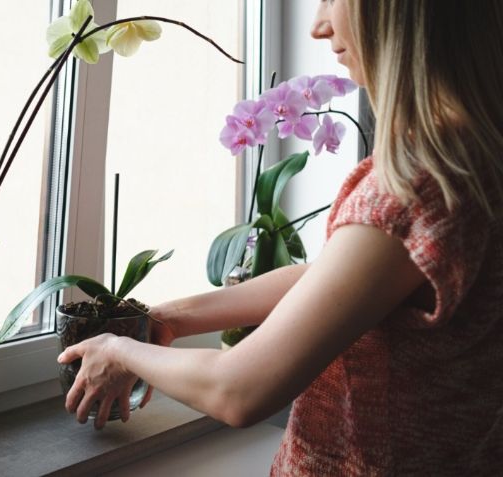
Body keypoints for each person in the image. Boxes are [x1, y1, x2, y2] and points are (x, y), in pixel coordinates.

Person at [56, 0, 503, 474]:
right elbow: (338, 281)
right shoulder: (476, 158)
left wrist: (121, 350)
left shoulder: (416, 186)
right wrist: (172, 319)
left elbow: (238, 391)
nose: (318, 26)